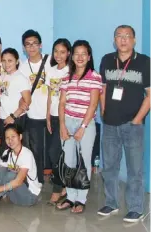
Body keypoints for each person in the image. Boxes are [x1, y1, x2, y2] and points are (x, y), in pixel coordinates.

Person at [98, 25, 150, 223]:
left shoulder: (145, 62)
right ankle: (111, 203)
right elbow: (102, 88)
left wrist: (137, 119)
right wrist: (103, 111)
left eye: (127, 36)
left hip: (133, 124)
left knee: (134, 168)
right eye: (119, 36)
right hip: (109, 123)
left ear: (134, 40)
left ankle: (136, 208)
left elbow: (150, 95)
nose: (123, 39)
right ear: (114, 40)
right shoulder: (106, 60)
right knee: (109, 167)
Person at [55, 40, 102, 214]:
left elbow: (93, 104)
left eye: (84, 54)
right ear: (72, 56)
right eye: (76, 54)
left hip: (86, 124)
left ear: (89, 57)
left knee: (84, 162)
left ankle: (81, 199)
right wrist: (62, 125)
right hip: (67, 121)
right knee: (69, 162)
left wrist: (83, 126)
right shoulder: (66, 78)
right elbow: (61, 103)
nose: (80, 57)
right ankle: (70, 197)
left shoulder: (94, 76)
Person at [18, 29, 52, 184]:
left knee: (54, 151)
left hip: (52, 114)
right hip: (33, 115)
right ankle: (38, 183)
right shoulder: (22, 68)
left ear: (41, 45)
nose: (31, 47)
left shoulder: (51, 61)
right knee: (36, 151)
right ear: (24, 48)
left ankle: (59, 184)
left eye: (34, 44)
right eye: (27, 44)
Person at [45, 38, 71, 205]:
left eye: (62, 52)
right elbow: (49, 95)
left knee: (57, 153)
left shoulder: (71, 71)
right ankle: (64, 186)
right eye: (56, 51)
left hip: (66, 117)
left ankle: (58, 188)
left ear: (68, 53)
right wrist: (47, 116)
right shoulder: (52, 70)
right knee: (54, 153)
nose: (59, 55)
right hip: (53, 116)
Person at [0, 48, 31, 150]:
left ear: (17, 61)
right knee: (5, 151)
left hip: (16, 119)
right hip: (2, 119)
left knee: (17, 150)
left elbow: (27, 101)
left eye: (10, 60)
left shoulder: (20, 78)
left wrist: (13, 117)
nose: (6, 64)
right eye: (4, 61)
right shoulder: (2, 77)